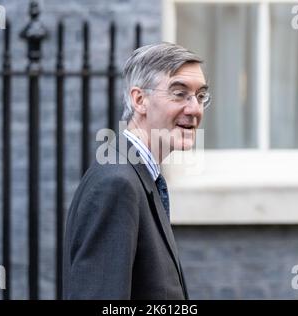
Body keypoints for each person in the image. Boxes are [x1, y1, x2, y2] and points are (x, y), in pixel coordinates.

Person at [63, 42, 210, 299]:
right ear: (139, 100)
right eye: (179, 93)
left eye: (200, 96)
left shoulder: (139, 177)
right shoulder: (118, 183)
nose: (195, 109)